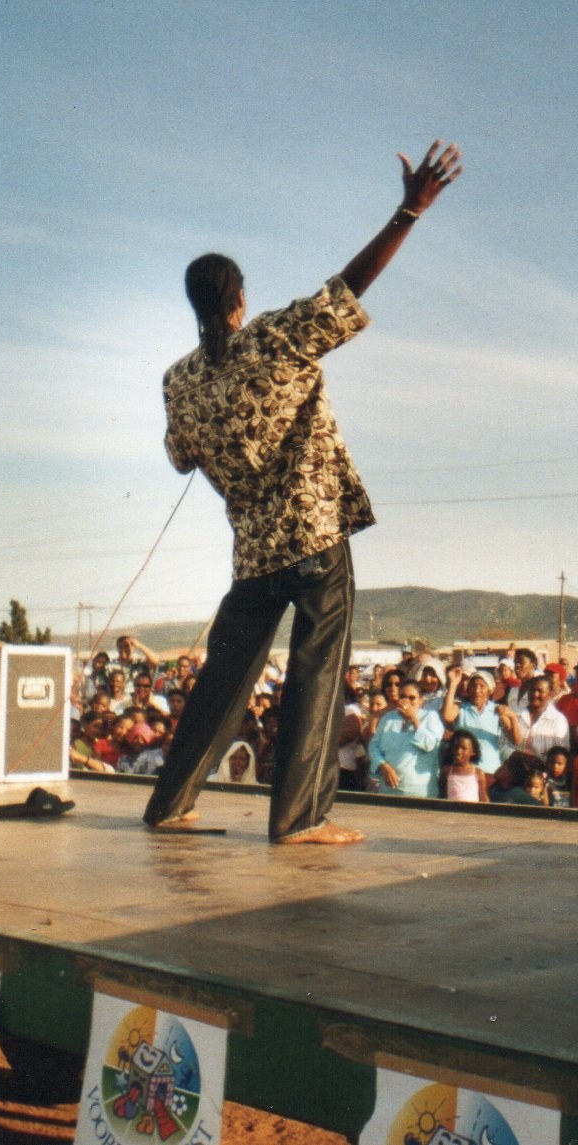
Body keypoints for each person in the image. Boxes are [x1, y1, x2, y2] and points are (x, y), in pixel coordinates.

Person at [141, 139, 463, 846]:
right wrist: (410, 209)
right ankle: (297, 818)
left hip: (252, 551)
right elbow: (350, 284)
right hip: (313, 535)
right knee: (315, 675)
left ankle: (169, 804)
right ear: (241, 298)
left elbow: (177, 459)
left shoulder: (177, 379)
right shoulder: (273, 340)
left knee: (224, 679)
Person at [370, 681, 446, 797]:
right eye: (403, 697)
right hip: (388, 790)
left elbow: (429, 745)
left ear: (421, 700)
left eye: (412, 698)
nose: (407, 701)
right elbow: (373, 746)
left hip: (420, 792)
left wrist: (414, 719)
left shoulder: (431, 717)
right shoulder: (387, 718)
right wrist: (383, 766)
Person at [442, 730, 489, 803]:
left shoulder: (478, 773)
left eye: (464, 748)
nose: (458, 751)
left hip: (471, 812)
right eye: (456, 747)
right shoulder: (447, 771)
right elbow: (443, 795)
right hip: (451, 812)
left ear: (473, 752)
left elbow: (483, 798)